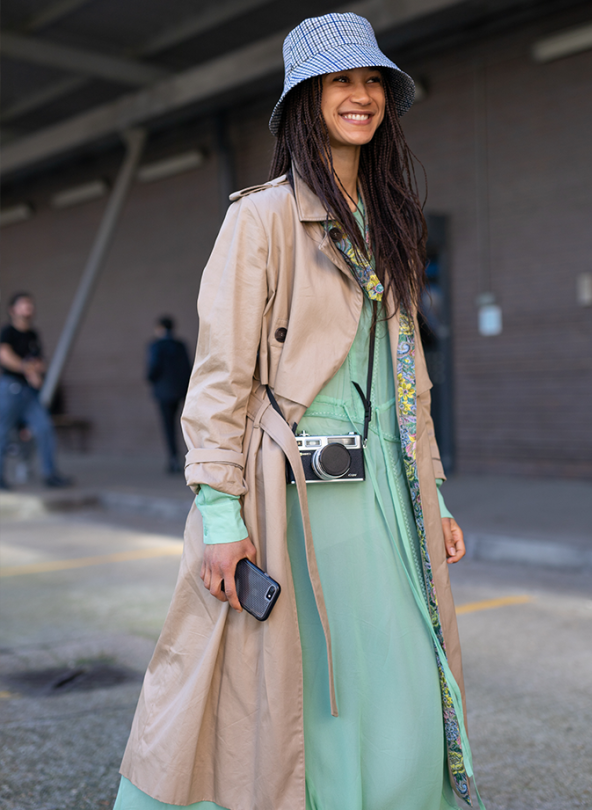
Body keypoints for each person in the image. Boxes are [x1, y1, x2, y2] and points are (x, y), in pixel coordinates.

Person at [115, 13, 482, 810]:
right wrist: (220, 514)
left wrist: (437, 495)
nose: (362, 96)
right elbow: (220, 378)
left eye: (373, 80)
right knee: (299, 694)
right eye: (342, 82)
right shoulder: (259, 219)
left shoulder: (391, 223)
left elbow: (407, 379)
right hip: (294, 503)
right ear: (306, 101)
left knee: (405, 683)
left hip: (389, 491)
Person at [0, 292, 72, 490]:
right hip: (10, 389)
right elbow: (5, 356)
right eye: (23, 305)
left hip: (29, 393)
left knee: (45, 429)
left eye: (30, 305)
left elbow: (39, 361)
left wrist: (37, 370)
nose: (28, 308)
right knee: (2, 433)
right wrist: (26, 368)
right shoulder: (7, 332)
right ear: (12, 310)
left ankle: (50, 474)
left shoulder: (33, 334)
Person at [146, 316, 192, 473]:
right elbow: (188, 367)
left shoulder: (156, 346)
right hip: (181, 391)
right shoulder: (180, 345)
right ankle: (191, 458)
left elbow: (153, 369)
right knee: (185, 425)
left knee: (168, 427)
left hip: (164, 393)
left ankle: (173, 459)